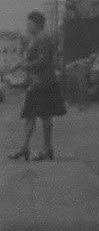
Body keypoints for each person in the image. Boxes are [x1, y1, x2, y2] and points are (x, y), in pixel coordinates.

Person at [8, 11, 66, 161]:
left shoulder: (43, 38)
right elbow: (31, 58)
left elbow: (43, 61)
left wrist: (25, 66)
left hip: (43, 82)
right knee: (31, 115)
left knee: (43, 116)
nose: (28, 26)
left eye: (30, 23)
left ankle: (44, 149)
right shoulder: (35, 38)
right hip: (37, 82)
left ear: (38, 24)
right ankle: (28, 148)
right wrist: (18, 66)